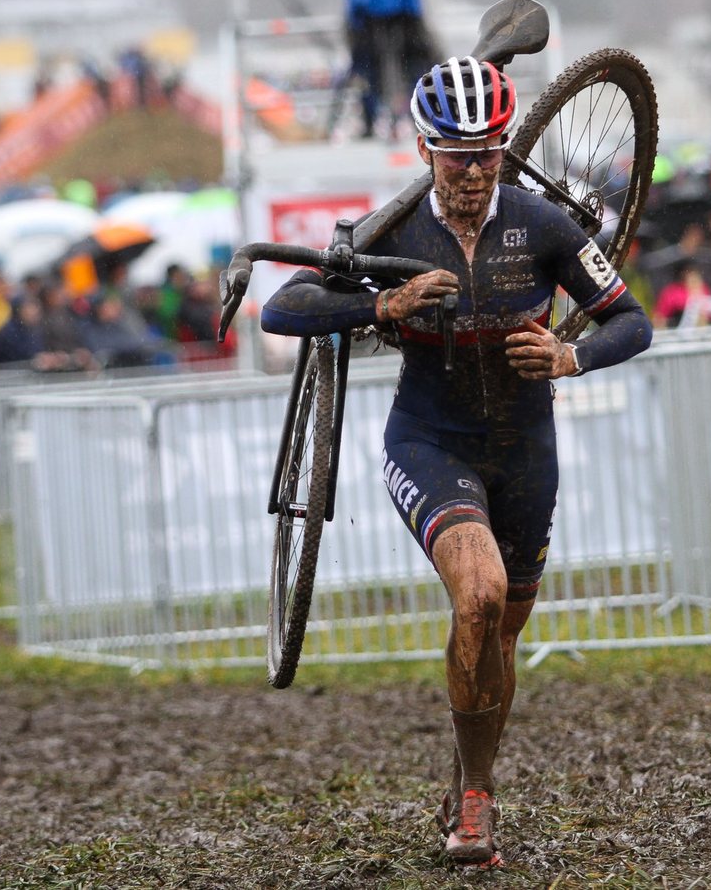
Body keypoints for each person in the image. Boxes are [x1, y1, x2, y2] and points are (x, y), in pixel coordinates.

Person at [262, 57, 653, 866]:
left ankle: (468, 783)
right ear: (422, 147)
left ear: (504, 147)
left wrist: (570, 358)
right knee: (477, 593)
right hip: (428, 441)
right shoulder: (392, 232)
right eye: (454, 153)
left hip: (526, 452)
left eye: (486, 152)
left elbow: (631, 322)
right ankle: (475, 811)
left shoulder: (542, 227)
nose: (472, 171)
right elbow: (283, 304)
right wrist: (382, 303)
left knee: (499, 639)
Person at [341, 0, 438, 138]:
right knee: (410, 67)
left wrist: (356, 16)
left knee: (370, 72)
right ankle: (417, 117)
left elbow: (358, 0)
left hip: (373, 17)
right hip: (401, 14)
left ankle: (373, 121)